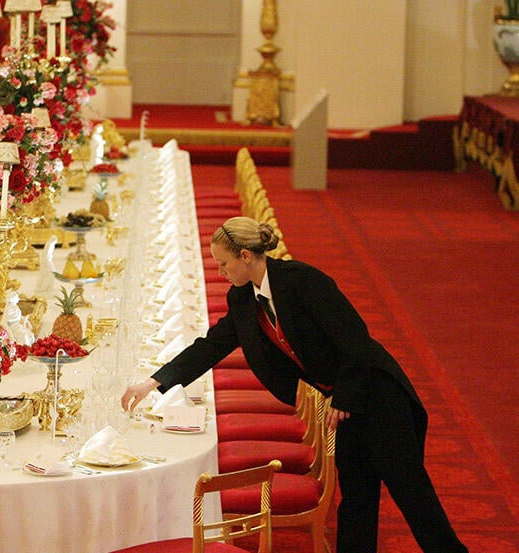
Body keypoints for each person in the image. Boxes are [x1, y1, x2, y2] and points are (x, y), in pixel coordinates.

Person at [121, 216, 467, 553]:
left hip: (378, 393)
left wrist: (344, 398)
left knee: (412, 494)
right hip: (342, 403)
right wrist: (153, 382)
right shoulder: (243, 299)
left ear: (245, 256)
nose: (220, 272)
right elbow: (212, 346)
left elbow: (357, 341)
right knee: (357, 499)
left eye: (224, 264)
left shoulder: (303, 282)